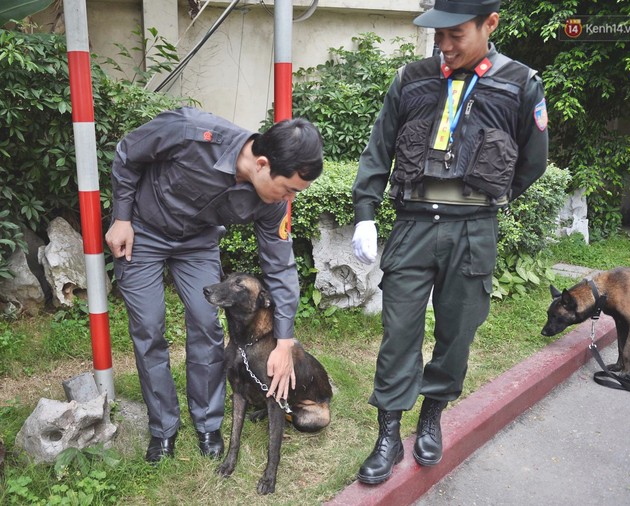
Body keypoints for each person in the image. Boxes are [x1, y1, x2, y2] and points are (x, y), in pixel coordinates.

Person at [351, 0, 548, 484]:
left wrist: (487, 196)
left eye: (455, 34)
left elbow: (533, 162)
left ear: (490, 24)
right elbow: (380, 148)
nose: (444, 45)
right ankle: (388, 433)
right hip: (413, 226)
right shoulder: (411, 78)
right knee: (399, 335)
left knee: (457, 334)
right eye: (438, 35)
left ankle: (432, 414)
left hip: (472, 231)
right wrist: (365, 214)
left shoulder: (521, 83)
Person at [105, 107, 323, 463]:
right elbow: (129, 152)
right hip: (143, 230)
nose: (290, 200)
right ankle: (163, 428)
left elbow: (280, 266)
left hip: (198, 243)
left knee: (207, 326)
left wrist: (285, 339)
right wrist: (122, 218)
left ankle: (207, 423)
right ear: (263, 164)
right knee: (148, 328)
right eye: (289, 189)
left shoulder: (271, 203)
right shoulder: (191, 132)